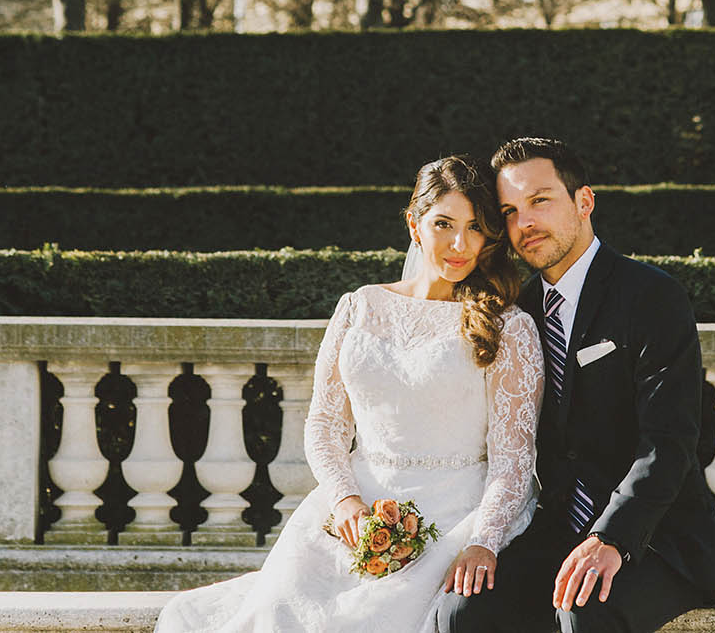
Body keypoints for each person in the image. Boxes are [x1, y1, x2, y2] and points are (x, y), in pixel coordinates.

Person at [155, 155, 544, 633]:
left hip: (457, 513)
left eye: (476, 228)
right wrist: (345, 501)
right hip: (356, 504)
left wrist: (484, 540)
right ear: (414, 224)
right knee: (272, 616)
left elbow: (513, 460)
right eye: (443, 223)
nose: (460, 244)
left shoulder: (509, 327)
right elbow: (324, 425)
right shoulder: (359, 307)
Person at [438, 137, 715, 633]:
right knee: (463, 611)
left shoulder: (651, 296)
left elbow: (668, 443)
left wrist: (612, 537)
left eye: (540, 201)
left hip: (658, 537)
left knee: (586, 606)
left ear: (584, 201)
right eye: (510, 211)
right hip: (558, 528)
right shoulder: (517, 313)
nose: (526, 224)